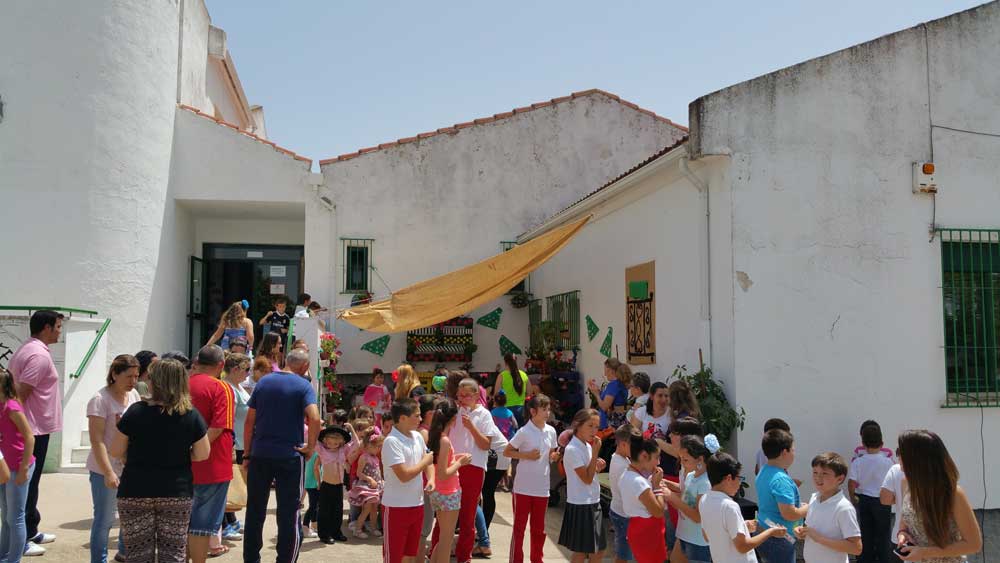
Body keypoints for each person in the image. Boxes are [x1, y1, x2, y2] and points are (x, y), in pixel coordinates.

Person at [111, 359, 211, 563]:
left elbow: (115, 450)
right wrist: (180, 456)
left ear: (155, 381)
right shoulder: (190, 415)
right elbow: (202, 454)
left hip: (135, 490)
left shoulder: (136, 411)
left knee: (138, 554)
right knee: (173, 553)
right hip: (176, 491)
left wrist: (132, 456)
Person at [242, 349, 321, 563]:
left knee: (255, 511)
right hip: (290, 456)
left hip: (260, 454)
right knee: (289, 513)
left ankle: (251, 559)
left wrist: (247, 454)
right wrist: (311, 447)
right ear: (304, 367)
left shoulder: (264, 383)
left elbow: (250, 421)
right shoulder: (303, 385)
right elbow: (315, 418)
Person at [8, 309, 63, 556]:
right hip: (32, 429)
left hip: (34, 427)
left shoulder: (28, 349)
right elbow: (20, 392)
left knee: (32, 482)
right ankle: (22, 539)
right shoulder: (38, 355)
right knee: (27, 483)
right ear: (46, 328)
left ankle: (30, 529)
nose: (60, 331)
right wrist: (16, 426)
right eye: (58, 327)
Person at [430, 376, 502, 563]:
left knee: (468, 515)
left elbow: (486, 445)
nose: (462, 399)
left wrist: (471, 426)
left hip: (474, 467)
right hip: (452, 466)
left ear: (476, 396)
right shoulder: (453, 409)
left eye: (466, 395)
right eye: (459, 395)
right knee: (444, 515)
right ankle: (435, 555)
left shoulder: (484, 414)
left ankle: (464, 557)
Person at [895, 430, 981, 563]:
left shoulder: (954, 494)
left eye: (902, 455)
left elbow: (974, 544)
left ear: (918, 461)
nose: (899, 461)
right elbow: (904, 526)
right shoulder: (908, 486)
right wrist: (902, 535)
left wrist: (924, 552)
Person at [86, 354, 141, 563]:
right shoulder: (100, 400)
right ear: (114, 374)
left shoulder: (134, 395)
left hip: (128, 467)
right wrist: (108, 471)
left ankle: (124, 554)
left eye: (136, 376)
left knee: (128, 516)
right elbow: (96, 440)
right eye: (128, 376)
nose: (133, 381)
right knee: (105, 519)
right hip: (103, 469)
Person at [186, 345, 235, 561]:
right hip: (211, 464)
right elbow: (217, 427)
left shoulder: (182, 385)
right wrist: (196, 451)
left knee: (184, 522)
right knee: (203, 526)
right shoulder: (221, 388)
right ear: (221, 365)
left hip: (180, 464)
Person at [700, 452, 787, 563]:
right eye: (739, 478)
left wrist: (743, 526)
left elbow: (707, 535)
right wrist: (770, 532)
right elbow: (743, 546)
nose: (740, 483)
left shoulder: (704, 500)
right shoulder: (730, 506)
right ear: (728, 478)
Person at [503, 394, 559, 563]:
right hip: (522, 488)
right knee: (519, 528)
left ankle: (537, 559)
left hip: (542, 488)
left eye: (548, 409)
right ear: (533, 411)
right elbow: (507, 451)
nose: (547, 413)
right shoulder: (524, 432)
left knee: (539, 530)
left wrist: (554, 456)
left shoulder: (551, 431)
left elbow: (551, 454)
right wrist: (526, 455)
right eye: (544, 409)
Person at [381, 398, 435, 563]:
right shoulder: (392, 441)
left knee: (410, 554)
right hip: (396, 507)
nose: (420, 419)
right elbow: (404, 475)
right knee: (394, 557)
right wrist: (425, 462)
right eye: (416, 416)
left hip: (417, 504)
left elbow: (428, 461)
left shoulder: (417, 437)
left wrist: (431, 479)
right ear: (402, 418)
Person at [793, 452, 862, 563]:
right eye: (815, 472)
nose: (818, 478)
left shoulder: (844, 508)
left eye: (824, 474)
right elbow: (813, 529)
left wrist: (820, 539)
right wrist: (802, 532)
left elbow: (856, 548)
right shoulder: (814, 498)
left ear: (839, 479)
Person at [558, 408, 607, 562]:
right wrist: (596, 454)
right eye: (590, 426)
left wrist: (596, 466)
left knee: (592, 551)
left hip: (590, 501)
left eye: (596, 427)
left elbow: (588, 474)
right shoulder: (573, 449)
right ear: (578, 425)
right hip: (582, 504)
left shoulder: (585, 445)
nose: (594, 431)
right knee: (588, 551)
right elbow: (586, 478)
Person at [427, 400, 472, 563]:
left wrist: (456, 459)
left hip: (439, 493)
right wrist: (460, 463)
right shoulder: (444, 440)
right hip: (448, 492)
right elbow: (443, 473)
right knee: (446, 539)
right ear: (452, 419)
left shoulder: (436, 437)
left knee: (443, 537)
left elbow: (441, 464)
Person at [664, 434, 720, 563]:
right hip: (684, 535)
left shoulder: (706, 483)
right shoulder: (691, 476)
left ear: (700, 459)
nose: (682, 463)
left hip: (698, 542)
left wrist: (672, 497)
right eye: (681, 459)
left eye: (685, 460)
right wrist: (667, 483)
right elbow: (687, 494)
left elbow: (697, 516)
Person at [755, 429, 808, 563]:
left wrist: (798, 506)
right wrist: (809, 507)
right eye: (793, 450)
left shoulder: (764, 471)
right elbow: (789, 514)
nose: (794, 454)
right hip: (779, 540)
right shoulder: (780, 479)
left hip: (764, 531)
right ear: (785, 452)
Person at [849, 423, 895, 563]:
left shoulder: (858, 462)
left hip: (864, 500)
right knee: (884, 534)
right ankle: (884, 559)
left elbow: (851, 483)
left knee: (865, 533)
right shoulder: (888, 462)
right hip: (883, 501)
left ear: (863, 444)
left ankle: (865, 560)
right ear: (882, 443)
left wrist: (852, 497)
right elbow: (893, 482)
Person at [0, 367, 31, 563]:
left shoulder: (12, 407)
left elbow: (30, 437)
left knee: (16, 517)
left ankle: (14, 560)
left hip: (18, 467)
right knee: (6, 516)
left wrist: (24, 469)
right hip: (4, 468)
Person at [620, 434, 666, 563]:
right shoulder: (638, 482)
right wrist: (657, 487)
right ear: (644, 456)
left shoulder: (627, 474)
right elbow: (658, 512)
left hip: (641, 531)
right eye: (657, 457)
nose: (658, 462)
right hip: (647, 534)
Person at [221, 353, 252, 540]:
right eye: (246, 369)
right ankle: (224, 524)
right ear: (235, 369)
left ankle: (230, 520)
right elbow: (229, 419)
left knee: (235, 484)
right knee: (228, 486)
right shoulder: (230, 389)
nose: (248, 374)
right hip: (235, 444)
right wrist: (231, 446)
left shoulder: (238, 386)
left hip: (241, 443)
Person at [316, 425, 354, 544]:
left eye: (336, 443)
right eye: (330, 443)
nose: (333, 446)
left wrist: (352, 429)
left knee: (338, 510)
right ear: (325, 441)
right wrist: (318, 427)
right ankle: (324, 534)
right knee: (324, 511)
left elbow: (356, 445)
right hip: (326, 485)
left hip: (338, 485)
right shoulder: (322, 451)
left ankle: (336, 532)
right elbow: (313, 440)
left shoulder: (343, 451)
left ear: (340, 443)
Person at [608, 423, 640, 563]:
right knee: (623, 555)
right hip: (623, 515)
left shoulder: (620, 458)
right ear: (623, 444)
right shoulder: (623, 465)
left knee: (624, 552)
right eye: (633, 445)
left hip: (619, 511)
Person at [348, 431, 384, 539]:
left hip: (375, 487)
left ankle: (373, 528)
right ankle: (358, 529)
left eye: (380, 446)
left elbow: (378, 471)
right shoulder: (363, 457)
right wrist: (369, 479)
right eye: (377, 446)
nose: (379, 449)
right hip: (366, 487)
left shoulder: (376, 458)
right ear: (368, 446)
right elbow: (359, 473)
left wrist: (381, 481)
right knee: (367, 509)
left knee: (374, 509)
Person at [586, 358, 629, 432]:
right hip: (617, 420)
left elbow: (605, 407)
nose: (605, 374)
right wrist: (597, 391)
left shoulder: (613, 385)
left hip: (608, 424)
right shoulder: (620, 383)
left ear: (611, 370)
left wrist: (596, 394)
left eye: (605, 370)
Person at [879, 454, 906, 551]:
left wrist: (898, 499)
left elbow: (885, 499)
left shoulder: (896, 469)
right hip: (928, 541)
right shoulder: (936, 473)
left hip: (901, 536)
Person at [493, 353, 529, 424]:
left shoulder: (501, 376)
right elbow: (530, 391)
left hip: (506, 410)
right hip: (521, 409)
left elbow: (496, 393)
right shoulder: (524, 374)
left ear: (505, 362)